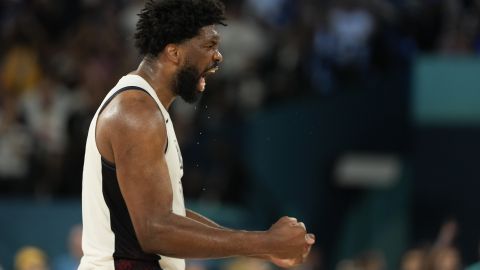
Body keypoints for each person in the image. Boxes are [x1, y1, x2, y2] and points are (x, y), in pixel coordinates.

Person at [78, 1, 315, 270]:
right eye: (209, 46)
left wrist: (264, 249)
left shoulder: (146, 106)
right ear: (174, 52)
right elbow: (155, 230)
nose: (218, 56)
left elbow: (170, 214)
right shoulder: (136, 113)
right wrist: (264, 243)